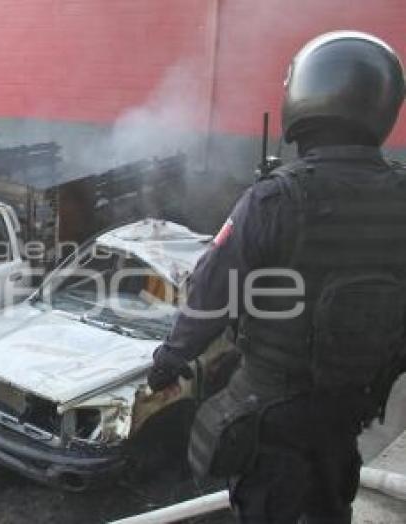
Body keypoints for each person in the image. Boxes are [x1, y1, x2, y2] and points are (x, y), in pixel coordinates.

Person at [146, 31, 406, 523]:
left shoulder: (277, 200)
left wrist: (169, 360)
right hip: (348, 409)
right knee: (330, 506)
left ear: (304, 95)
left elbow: (209, 291)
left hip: (273, 412)